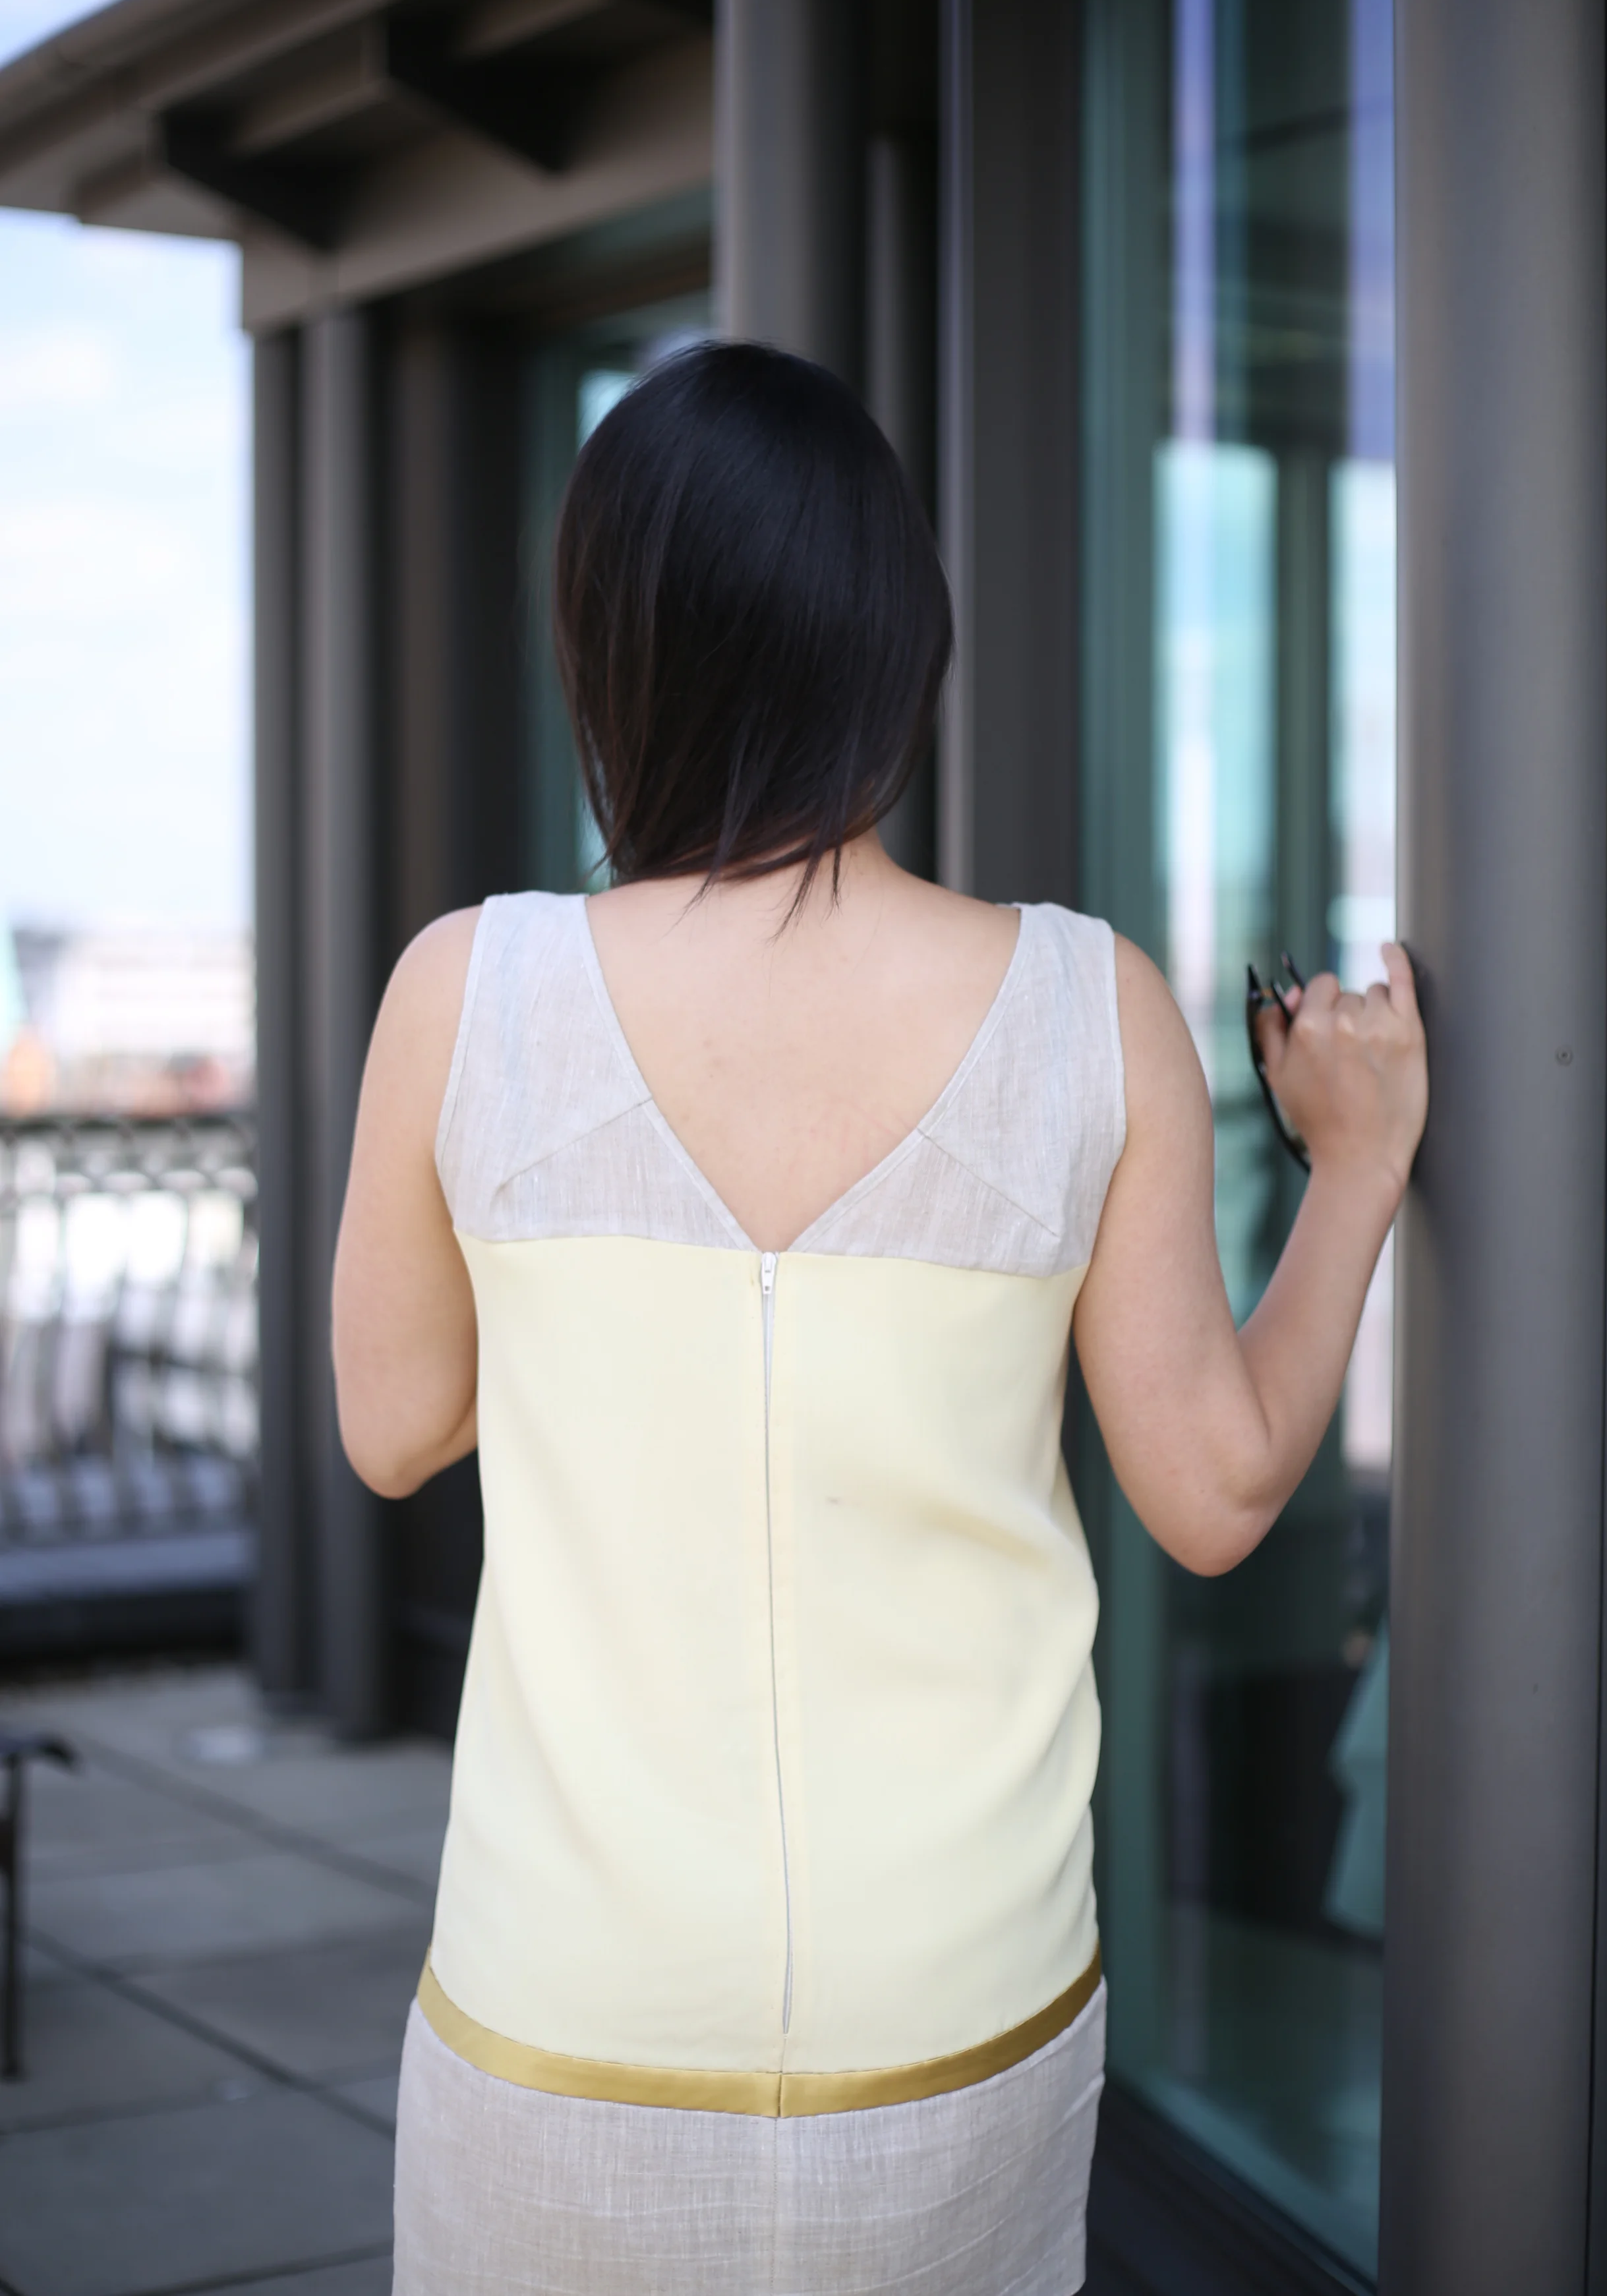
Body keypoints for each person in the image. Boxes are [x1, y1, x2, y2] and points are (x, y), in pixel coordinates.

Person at [332, 341, 1428, 2296]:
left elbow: (396, 1419)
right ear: (893, 642)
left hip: (561, 1998)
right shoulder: (1084, 1010)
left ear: (609, 647)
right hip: (963, 2011)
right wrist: (1348, 1171)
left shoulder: (462, 993)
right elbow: (1215, 1487)